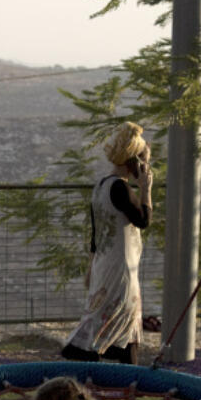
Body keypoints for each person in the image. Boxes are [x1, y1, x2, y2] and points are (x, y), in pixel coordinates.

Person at [62, 120, 154, 365]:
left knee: (106, 311)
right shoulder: (122, 189)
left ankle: (112, 364)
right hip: (121, 265)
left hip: (104, 263)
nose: (145, 166)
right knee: (124, 312)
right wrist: (146, 189)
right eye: (143, 160)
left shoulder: (101, 186)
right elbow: (143, 220)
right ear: (133, 161)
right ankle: (92, 357)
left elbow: (96, 232)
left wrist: (91, 266)